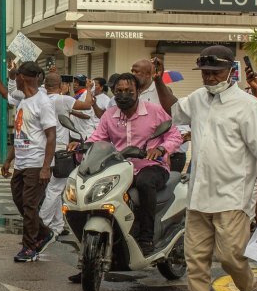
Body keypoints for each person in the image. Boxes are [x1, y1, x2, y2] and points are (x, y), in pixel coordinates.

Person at [154, 46, 257, 291]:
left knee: (230, 256)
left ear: (231, 71)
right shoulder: (198, 99)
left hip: (233, 195)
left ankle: (252, 289)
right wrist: (157, 80)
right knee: (196, 260)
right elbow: (173, 109)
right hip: (199, 194)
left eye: (215, 72)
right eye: (205, 72)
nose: (210, 77)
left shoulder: (247, 105)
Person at [70, 73, 182, 256]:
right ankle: (90, 253)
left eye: (129, 91)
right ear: (113, 92)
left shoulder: (154, 111)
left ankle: (146, 238)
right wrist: (82, 146)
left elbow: (174, 135)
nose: (123, 95)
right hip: (120, 168)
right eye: (119, 91)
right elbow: (98, 137)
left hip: (151, 166)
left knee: (145, 183)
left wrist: (161, 149)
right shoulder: (109, 115)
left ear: (138, 91)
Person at [1, 62, 57, 263]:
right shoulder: (24, 101)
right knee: (20, 201)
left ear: (23, 77)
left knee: (30, 206)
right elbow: (20, 134)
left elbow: (51, 135)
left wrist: (45, 167)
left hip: (36, 162)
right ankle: (44, 233)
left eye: (15, 75)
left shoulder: (43, 102)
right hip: (22, 162)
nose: (14, 79)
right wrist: (8, 160)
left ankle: (29, 247)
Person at [38, 73, 93, 237]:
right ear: (61, 85)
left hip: (43, 148)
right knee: (56, 188)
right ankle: (42, 223)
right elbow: (87, 105)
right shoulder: (63, 100)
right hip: (59, 148)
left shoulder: (40, 99)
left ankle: (58, 225)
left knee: (53, 187)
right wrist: (89, 89)